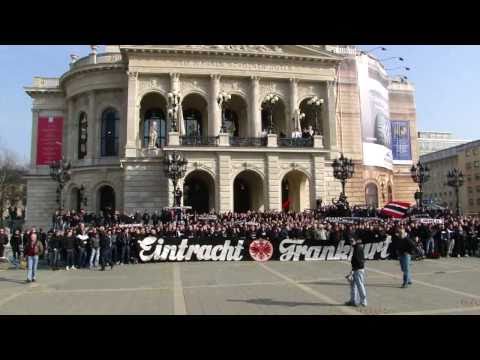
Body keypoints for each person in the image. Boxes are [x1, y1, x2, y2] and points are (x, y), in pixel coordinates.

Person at [345, 238, 367, 307]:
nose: (351, 243)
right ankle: (353, 300)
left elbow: (359, 261)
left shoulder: (357, 248)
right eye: (350, 241)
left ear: (356, 241)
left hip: (358, 270)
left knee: (360, 285)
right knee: (353, 285)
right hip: (356, 269)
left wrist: (353, 270)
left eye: (352, 241)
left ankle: (363, 301)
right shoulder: (356, 247)